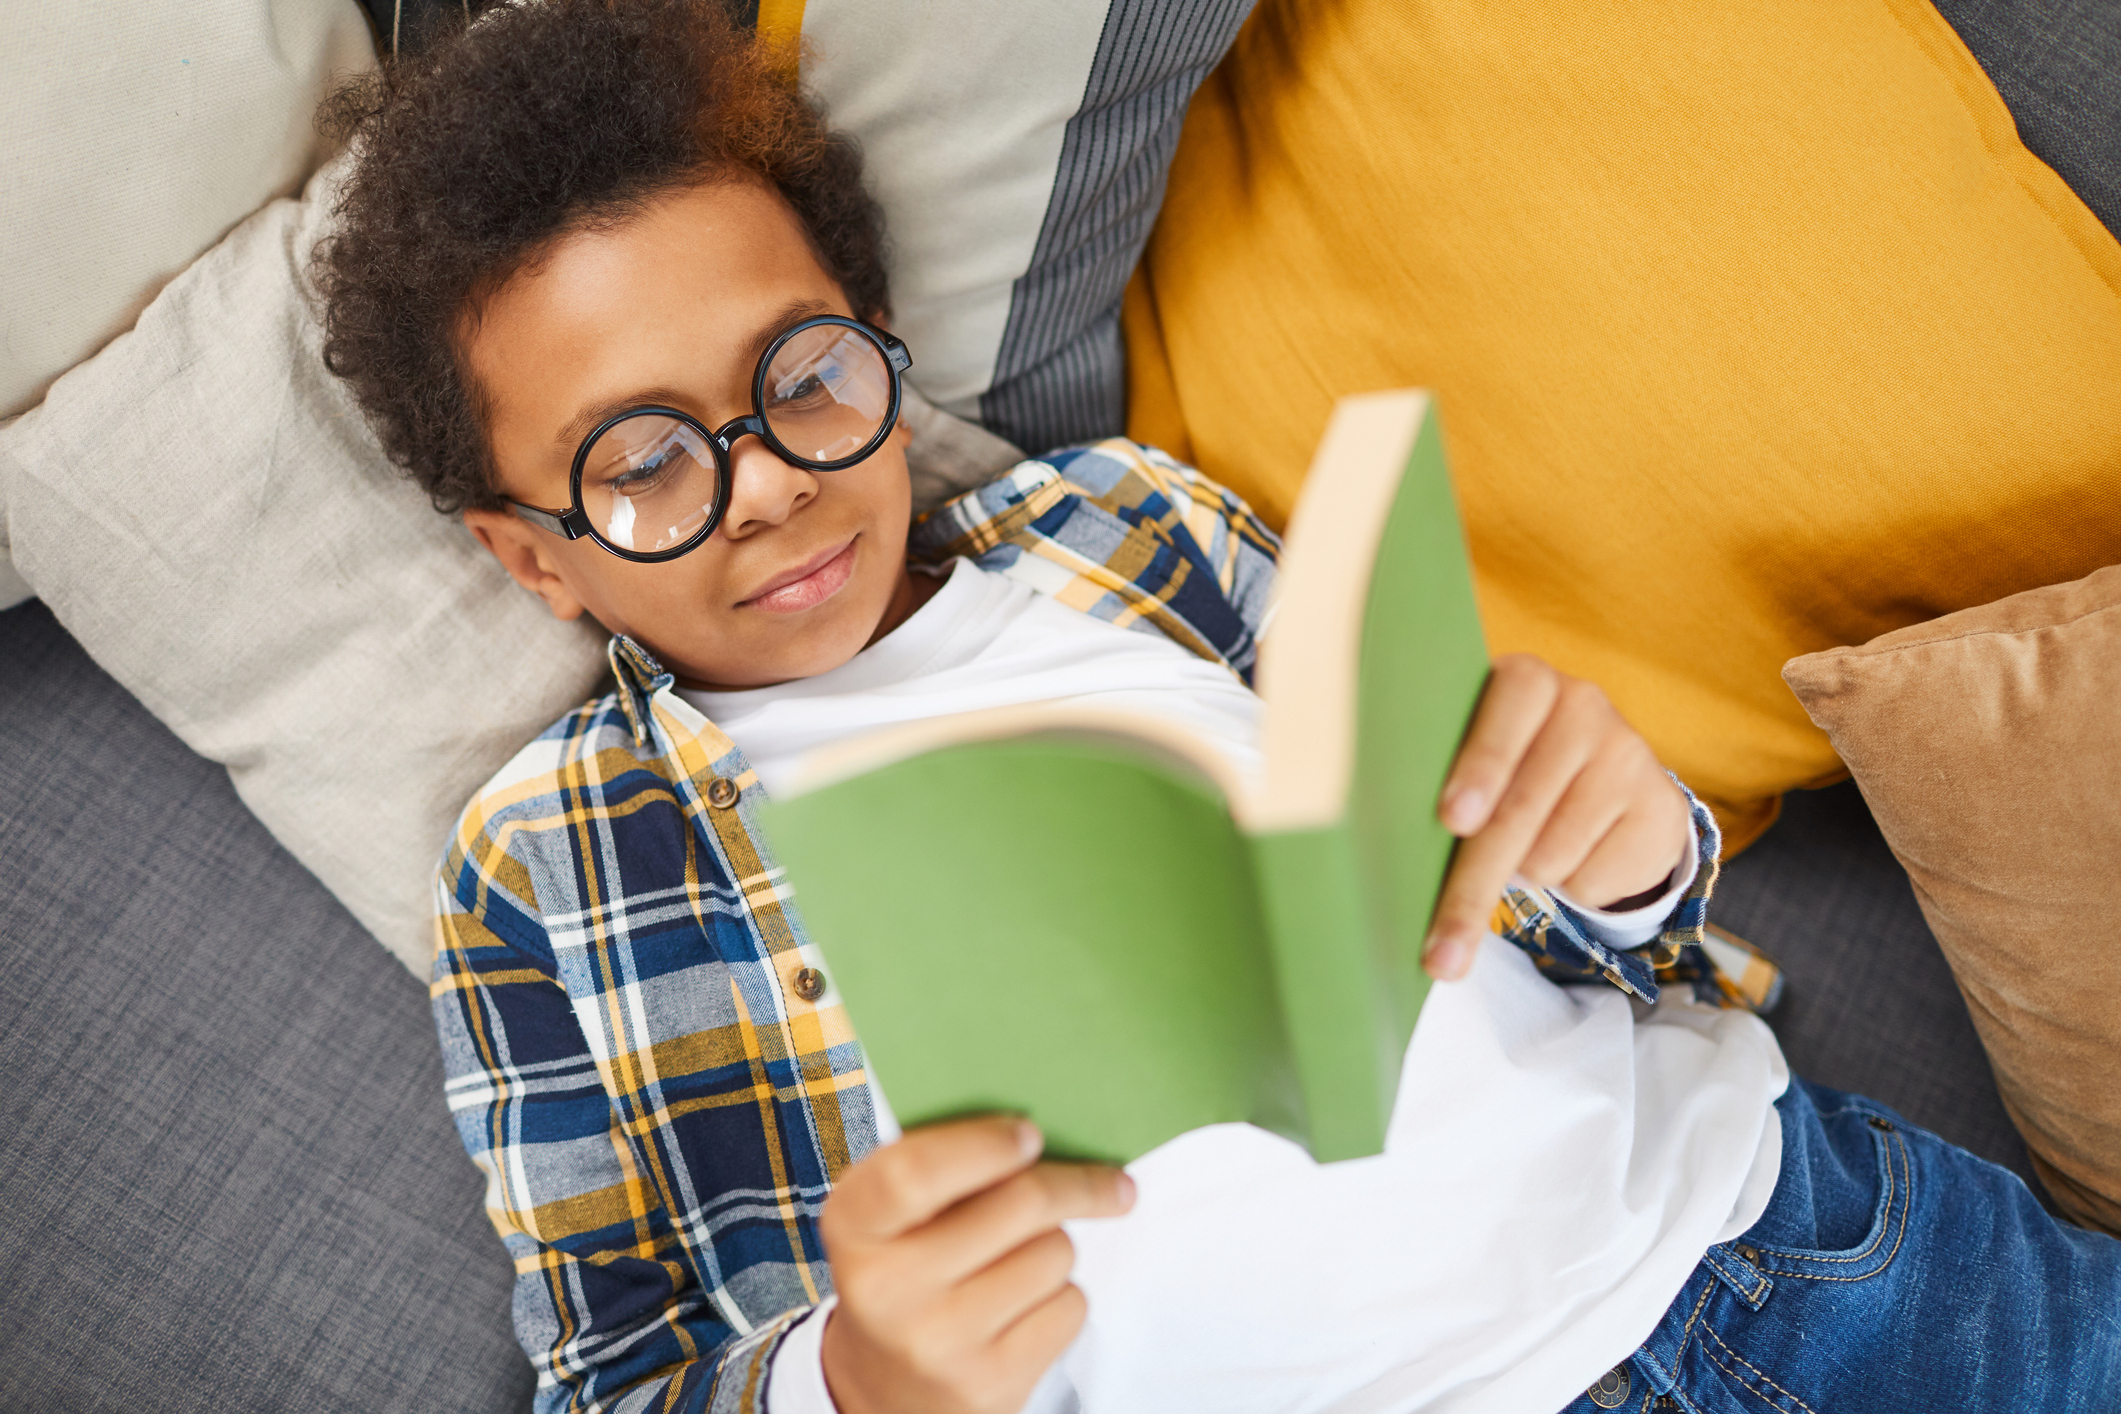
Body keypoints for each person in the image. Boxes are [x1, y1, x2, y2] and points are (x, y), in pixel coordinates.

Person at [315, 4, 2120, 1412]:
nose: (768, 484)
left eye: (799, 378)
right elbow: (607, 1372)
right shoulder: (539, 866)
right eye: (638, 465)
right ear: (533, 558)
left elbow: (1563, 922)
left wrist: (1633, 845)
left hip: (1787, 1256)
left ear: (875, 339)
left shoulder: (1131, 526)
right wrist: (854, 1380)